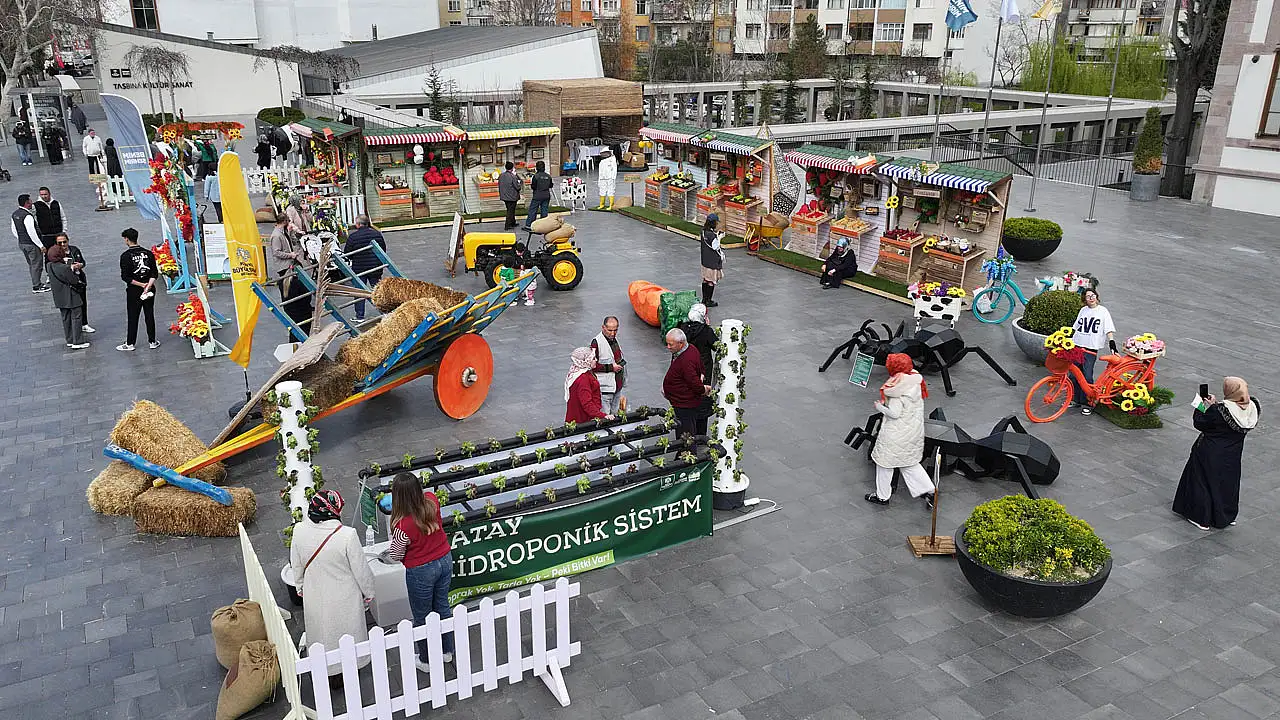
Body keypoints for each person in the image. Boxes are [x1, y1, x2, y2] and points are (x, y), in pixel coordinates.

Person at [289, 490, 376, 680]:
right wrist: (369, 592)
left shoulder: (299, 530)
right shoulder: (347, 535)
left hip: (315, 593)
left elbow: (296, 563)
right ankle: (350, 670)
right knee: (348, 636)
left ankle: (328, 672)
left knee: (322, 635)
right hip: (344, 597)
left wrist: (300, 585)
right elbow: (360, 570)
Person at [383, 472, 455, 670]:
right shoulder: (432, 501)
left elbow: (396, 554)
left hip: (421, 570)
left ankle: (426, 659)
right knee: (442, 606)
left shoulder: (402, 525)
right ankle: (447, 651)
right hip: (444, 559)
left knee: (422, 615)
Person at [1172, 378, 1260, 530]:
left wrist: (1200, 404)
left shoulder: (1219, 411)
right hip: (1232, 455)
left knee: (1201, 482)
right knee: (1227, 484)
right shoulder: (1253, 407)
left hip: (1209, 452)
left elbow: (1200, 422)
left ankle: (1201, 517)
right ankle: (1226, 516)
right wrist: (1216, 405)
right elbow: (1232, 414)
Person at [866, 353, 935, 508]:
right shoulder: (914, 381)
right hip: (911, 432)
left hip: (896, 434)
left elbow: (895, 413)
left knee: (884, 465)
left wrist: (880, 407)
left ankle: (882, 496)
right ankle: (929, 491)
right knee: (908, 463)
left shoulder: (897, 392)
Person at [1070, 288, 1117, 415]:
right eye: (1087, 296)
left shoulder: (1103, 311)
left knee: (1087, 375)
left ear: (1096, 296)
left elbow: (1108, 329)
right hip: (1077, 346)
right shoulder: (1083, 310)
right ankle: (1075, 399)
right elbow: (1076, 327)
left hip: (1090, 348)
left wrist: (1112, 343)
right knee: (1074, 374)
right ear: (1084, 300)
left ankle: (1088, 402)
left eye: (1092, 295)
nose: (1091, 298)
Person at [663, 328, 710, 439]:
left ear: (681, 344)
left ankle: (687, 453)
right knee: (684, 429)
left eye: (671, 344)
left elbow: (694, 382)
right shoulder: (690, 349)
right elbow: (700, 367)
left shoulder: (686, 360)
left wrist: (703, 390)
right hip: (681, 401)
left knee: (686, 433)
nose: (668, 347)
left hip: (684, 403)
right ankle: (682, 452)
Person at [270, 215, 312, 339]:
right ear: (284, 222)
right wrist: (290, 255)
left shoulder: (283, 233)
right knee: (289, 289)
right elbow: (276, 252)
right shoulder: (276, 236)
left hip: (290, 265)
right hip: (284, 266)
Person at [118, 228, 160, 351]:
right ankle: (152, 341)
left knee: (133, 316)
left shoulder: (125, 256)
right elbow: (154, 273)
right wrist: (148, 285)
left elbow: (125, 277)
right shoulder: (148, 253)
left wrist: (141, 285)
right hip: (150, 288)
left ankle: (130, 343)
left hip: (134, 290)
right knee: (149, 314)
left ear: (126, 239)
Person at [678, 303, 716, 436]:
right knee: (702, 398)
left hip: (686, 370)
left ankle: (687, 430)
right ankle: (700, 432)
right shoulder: (706, 331)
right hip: (703, 370)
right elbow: (716, 346)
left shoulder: (682, 329)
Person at [46, 244, 89, 349]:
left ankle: (69, 339)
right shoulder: (64, 268)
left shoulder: (49, 266)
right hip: (71, 296)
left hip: (59, 296)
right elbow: (73, 280)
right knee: (76, 317)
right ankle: (78, 341)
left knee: (65, 318)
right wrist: (73, 269)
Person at [344, 215, 386, 320]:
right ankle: (384, 311)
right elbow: (383, 250)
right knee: (377, 290)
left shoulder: (353, 237)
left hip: (359, 268)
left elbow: (347, 253)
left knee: (359, 292)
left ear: (358, 224)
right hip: (375, 267)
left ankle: (360, 315)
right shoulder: (377, 234)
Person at [54, 233, 93, 333]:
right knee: (73, 306)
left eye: (64, 242)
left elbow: (83, 262)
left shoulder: (74, 250)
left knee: (83, 302)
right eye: (60, 243)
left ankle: (84, 323)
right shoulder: (56, 254)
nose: (63, 244)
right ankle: (73, 327)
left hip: (79, 280)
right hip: (68, 283)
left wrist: (80, 265)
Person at [12, 194, 50, 293]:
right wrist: (40, 245)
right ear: (26, 203)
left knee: (31, 264)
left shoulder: (15, 214)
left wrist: (21, 239)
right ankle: (37, 285)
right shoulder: (27, 216)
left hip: (22, 244)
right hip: (31, 245)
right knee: (37, 265)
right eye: (30, 201)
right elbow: (31, 231)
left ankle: (36, 283)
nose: (31, 203)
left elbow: (14, 229)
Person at [590, 316, 626, 415]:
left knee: (615, 415)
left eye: (615, 330)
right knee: (605, 416)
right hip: (605, 389)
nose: (613, 333)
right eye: (610, 330)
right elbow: (592, 365)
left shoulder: (613, 339)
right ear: (603, 327)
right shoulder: (596, 343)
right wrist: (611, 367)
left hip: (617, 386)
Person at [566, 347, 611, 423]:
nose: (596, 360)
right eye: (593, 358)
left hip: (576, 417)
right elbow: (586, 403)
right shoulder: (583, 379)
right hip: (583, 420)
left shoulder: (576, 373)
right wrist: (602, 416)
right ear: (586, 361)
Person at [699, 213, 724, 308]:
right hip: (712, 262)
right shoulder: (711, 235)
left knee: (705, 279)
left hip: (705, 261)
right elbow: (715, 246)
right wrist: (720, 238)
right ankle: (708, 300)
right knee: (711, 281)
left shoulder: (703, 232)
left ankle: (704, 299)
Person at [523, 161, 553, 231]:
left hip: (537, 195)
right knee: (544, 211)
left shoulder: (535, 176)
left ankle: (529, 225)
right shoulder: (548, 176)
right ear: (544, 167)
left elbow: (533, 186)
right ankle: (543, 226)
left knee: (533, 210)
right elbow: (551, 185)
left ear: (537, 168)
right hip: (546, 195)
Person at [498, 161, 522, 230]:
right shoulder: (513, 176)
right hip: (512, 197)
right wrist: (519, 182)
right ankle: (507, 225)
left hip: (504, 196)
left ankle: (513, 222)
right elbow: (518, 187)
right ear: (512, 168)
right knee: (510, 211)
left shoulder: (501, 175)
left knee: (510, 209)